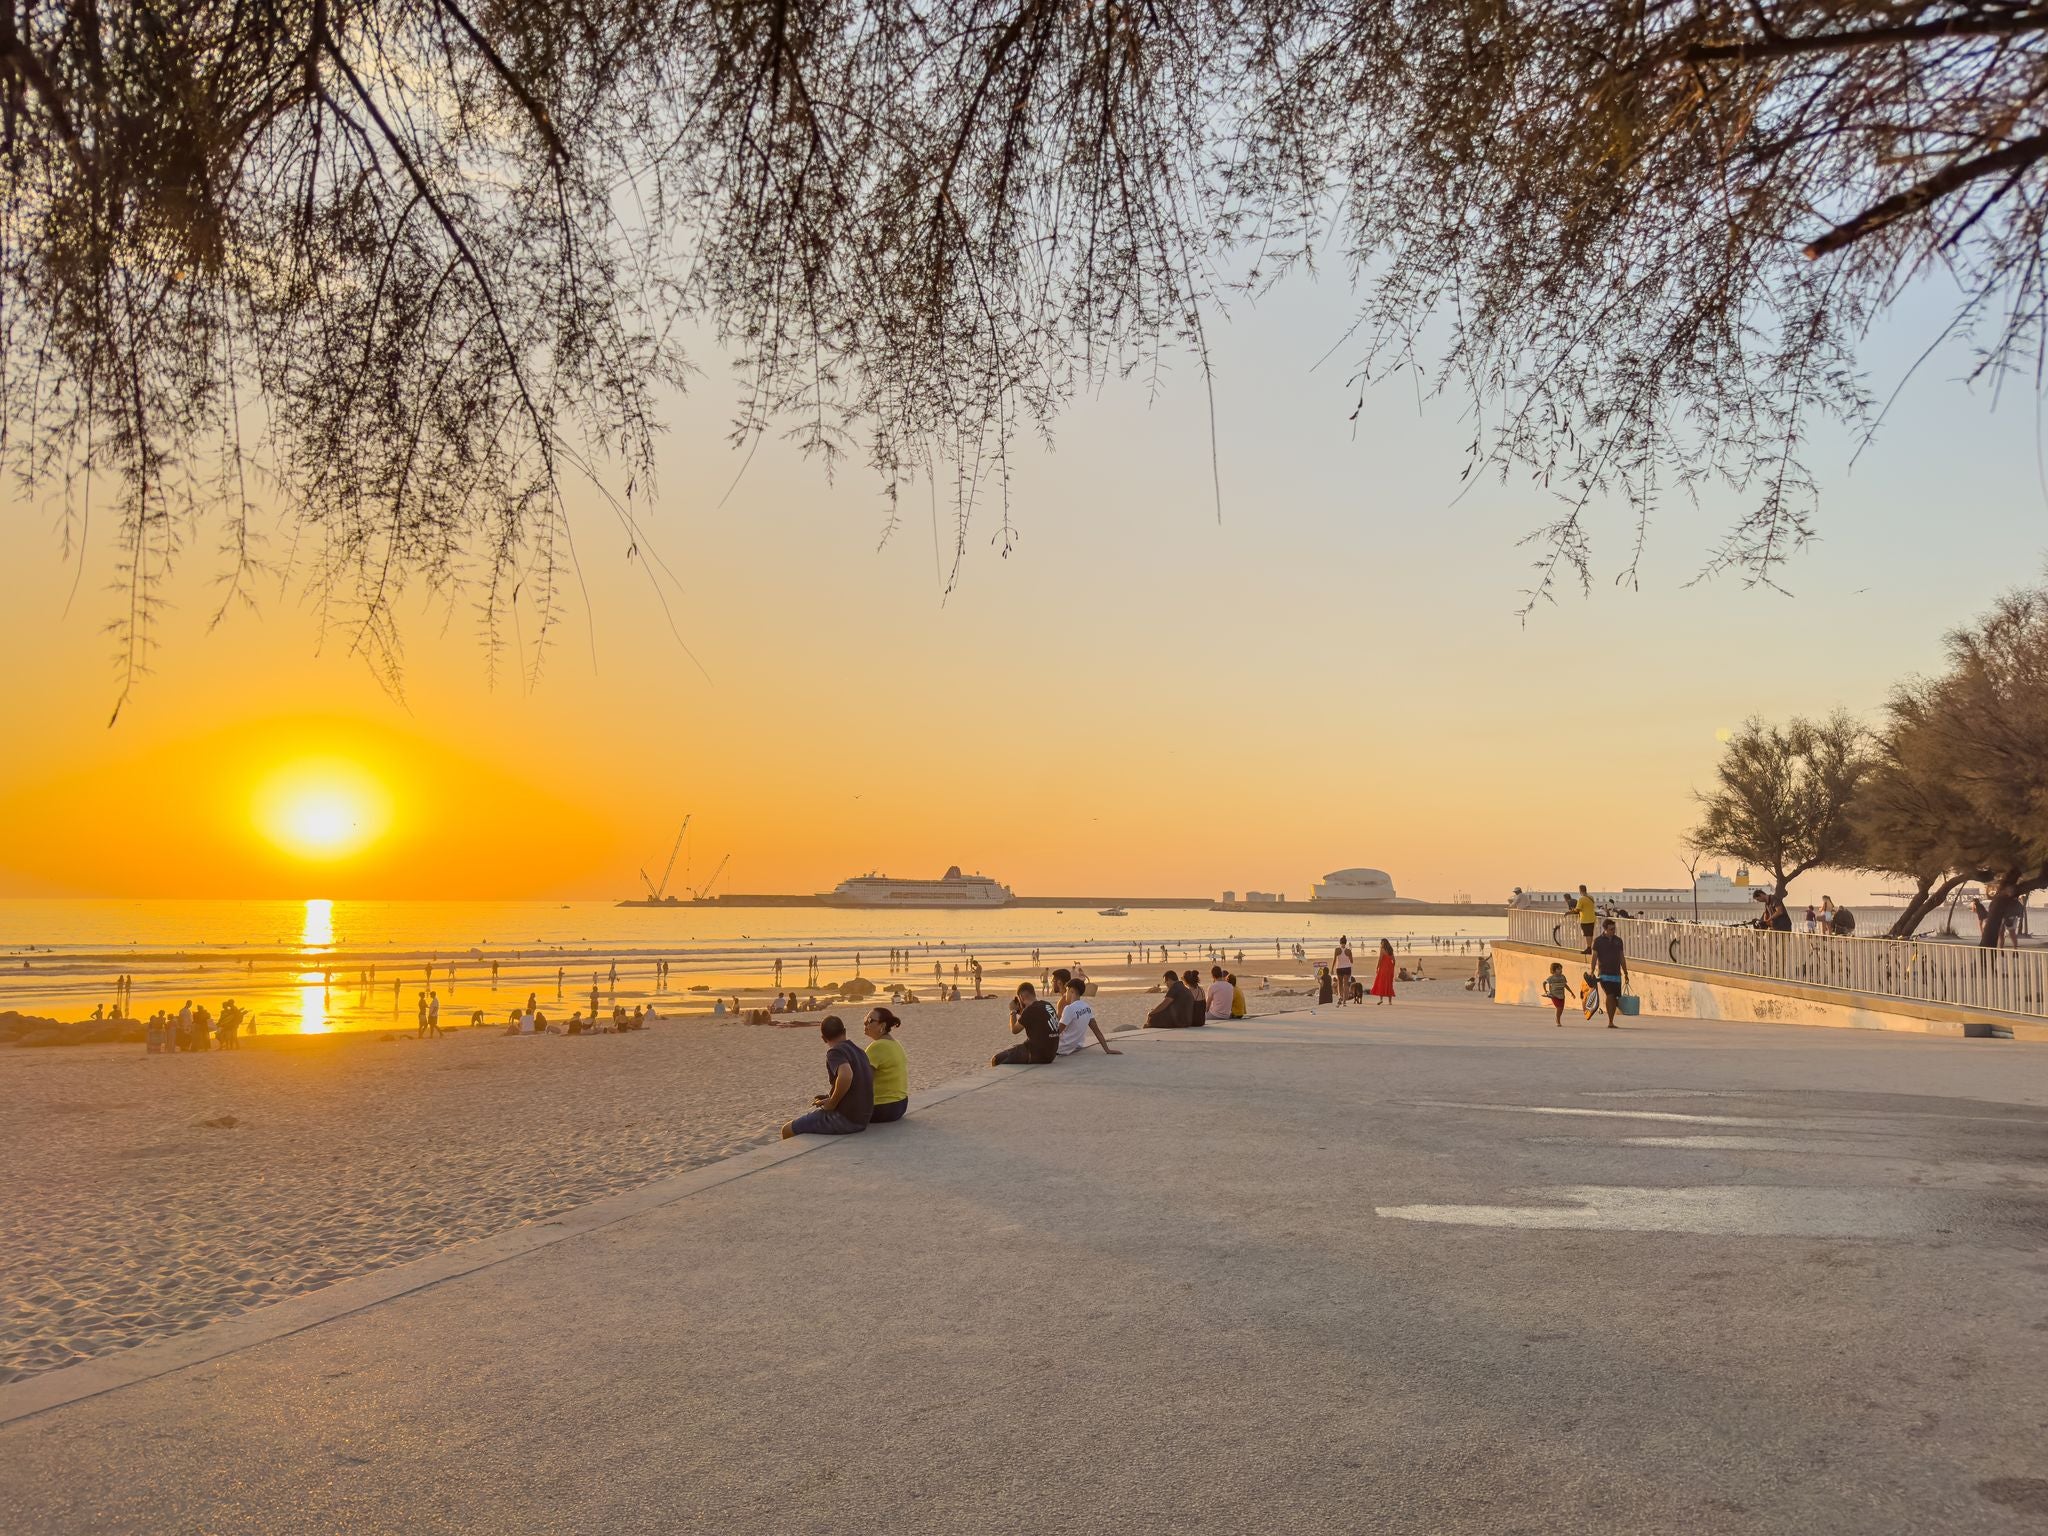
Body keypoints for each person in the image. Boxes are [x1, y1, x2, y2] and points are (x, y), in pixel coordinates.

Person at [781, 1017, 875, 1137]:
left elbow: (846, 1075)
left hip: (847, 1119)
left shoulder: (835, 1052)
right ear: (844, 1031)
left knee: (787, 1129)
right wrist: (830, 1097)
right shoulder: (860, 1052)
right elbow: (859, 1083)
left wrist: (832, 1102)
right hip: (863, 1118)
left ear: (823, 1038)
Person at [993, 982, 1060, 1065]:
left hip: (1035, 1053)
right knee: (1014, 1047)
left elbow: (1014, 1030)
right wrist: (1021, 1011)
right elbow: (1033, 1019)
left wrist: (1013, 1011)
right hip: (1050, 1054)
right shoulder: (1047, 1005)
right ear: (1033, 993)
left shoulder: (1029, 1010)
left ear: (1021, 997)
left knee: (996, 1059)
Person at [1055, 975, 1122, 1056]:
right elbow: (1097, 1031)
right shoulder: (1087, 1007)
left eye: (1067, 991)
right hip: (1077, 1046)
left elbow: (1057, 1032)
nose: (1065, 994)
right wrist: (1107, 1049)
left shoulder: (1069, 1009)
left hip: (1061, 1048)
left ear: (1071, 991)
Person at [863, 1007, 911, 1122]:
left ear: (882, 1026)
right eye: (865, 1019)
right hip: (900, 1105)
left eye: (870, 1020)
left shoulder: (877, 1046)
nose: (865, 1023)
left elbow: (862, 1081)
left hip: (883, 1108)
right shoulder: (895, 1044)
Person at [1591, 919, 1629, 1027]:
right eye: (1611, 929)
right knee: (1610, 995)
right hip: (1604, 973)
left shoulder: (1618, 941)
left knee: (1615, 998)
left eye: (1614, 929)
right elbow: (1594, 957)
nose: (1613, 931)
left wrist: (1626, 972)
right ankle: (1610, 1022)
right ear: (1605, 929)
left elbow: (1622, 957)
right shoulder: (1598, 941)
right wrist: (1592, 971)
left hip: (1616, 974)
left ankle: (1611, 1020)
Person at [1370, 939, 1397, 1005]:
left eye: (1381, 942)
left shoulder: (1382, 949)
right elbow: (1393, 960)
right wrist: (1392, 967)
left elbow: (1380, 959)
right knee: (1389, 984)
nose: (1381, 944)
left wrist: (1377, 967)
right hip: (1389, 968)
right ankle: (1390, 1001)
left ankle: (1381, 999)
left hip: (1383, 968)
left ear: (1383, 943)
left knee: (1381, 982)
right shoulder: (1390, 949)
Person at [1574, 885, 1598, 951]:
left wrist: (1570, 911)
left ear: (1580, 890)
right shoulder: (1591, 897)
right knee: (1590, 934)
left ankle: (1588, 948)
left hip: (1585, 919)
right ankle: (1590, 947)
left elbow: (1577, 909)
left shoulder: (1581, 899)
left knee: (1587, 934)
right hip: (1592, 918)